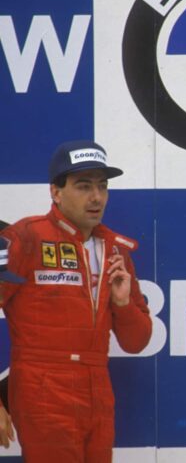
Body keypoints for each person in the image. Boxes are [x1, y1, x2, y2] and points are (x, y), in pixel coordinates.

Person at [0, 140, 152, 462]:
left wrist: (123, 305)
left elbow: (137, 341)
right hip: (43, 388)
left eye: (102, 186)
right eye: (83, 187)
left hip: (98, 389)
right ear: (56, 192)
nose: (96, 197)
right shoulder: (24, 238)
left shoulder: (116, 249)